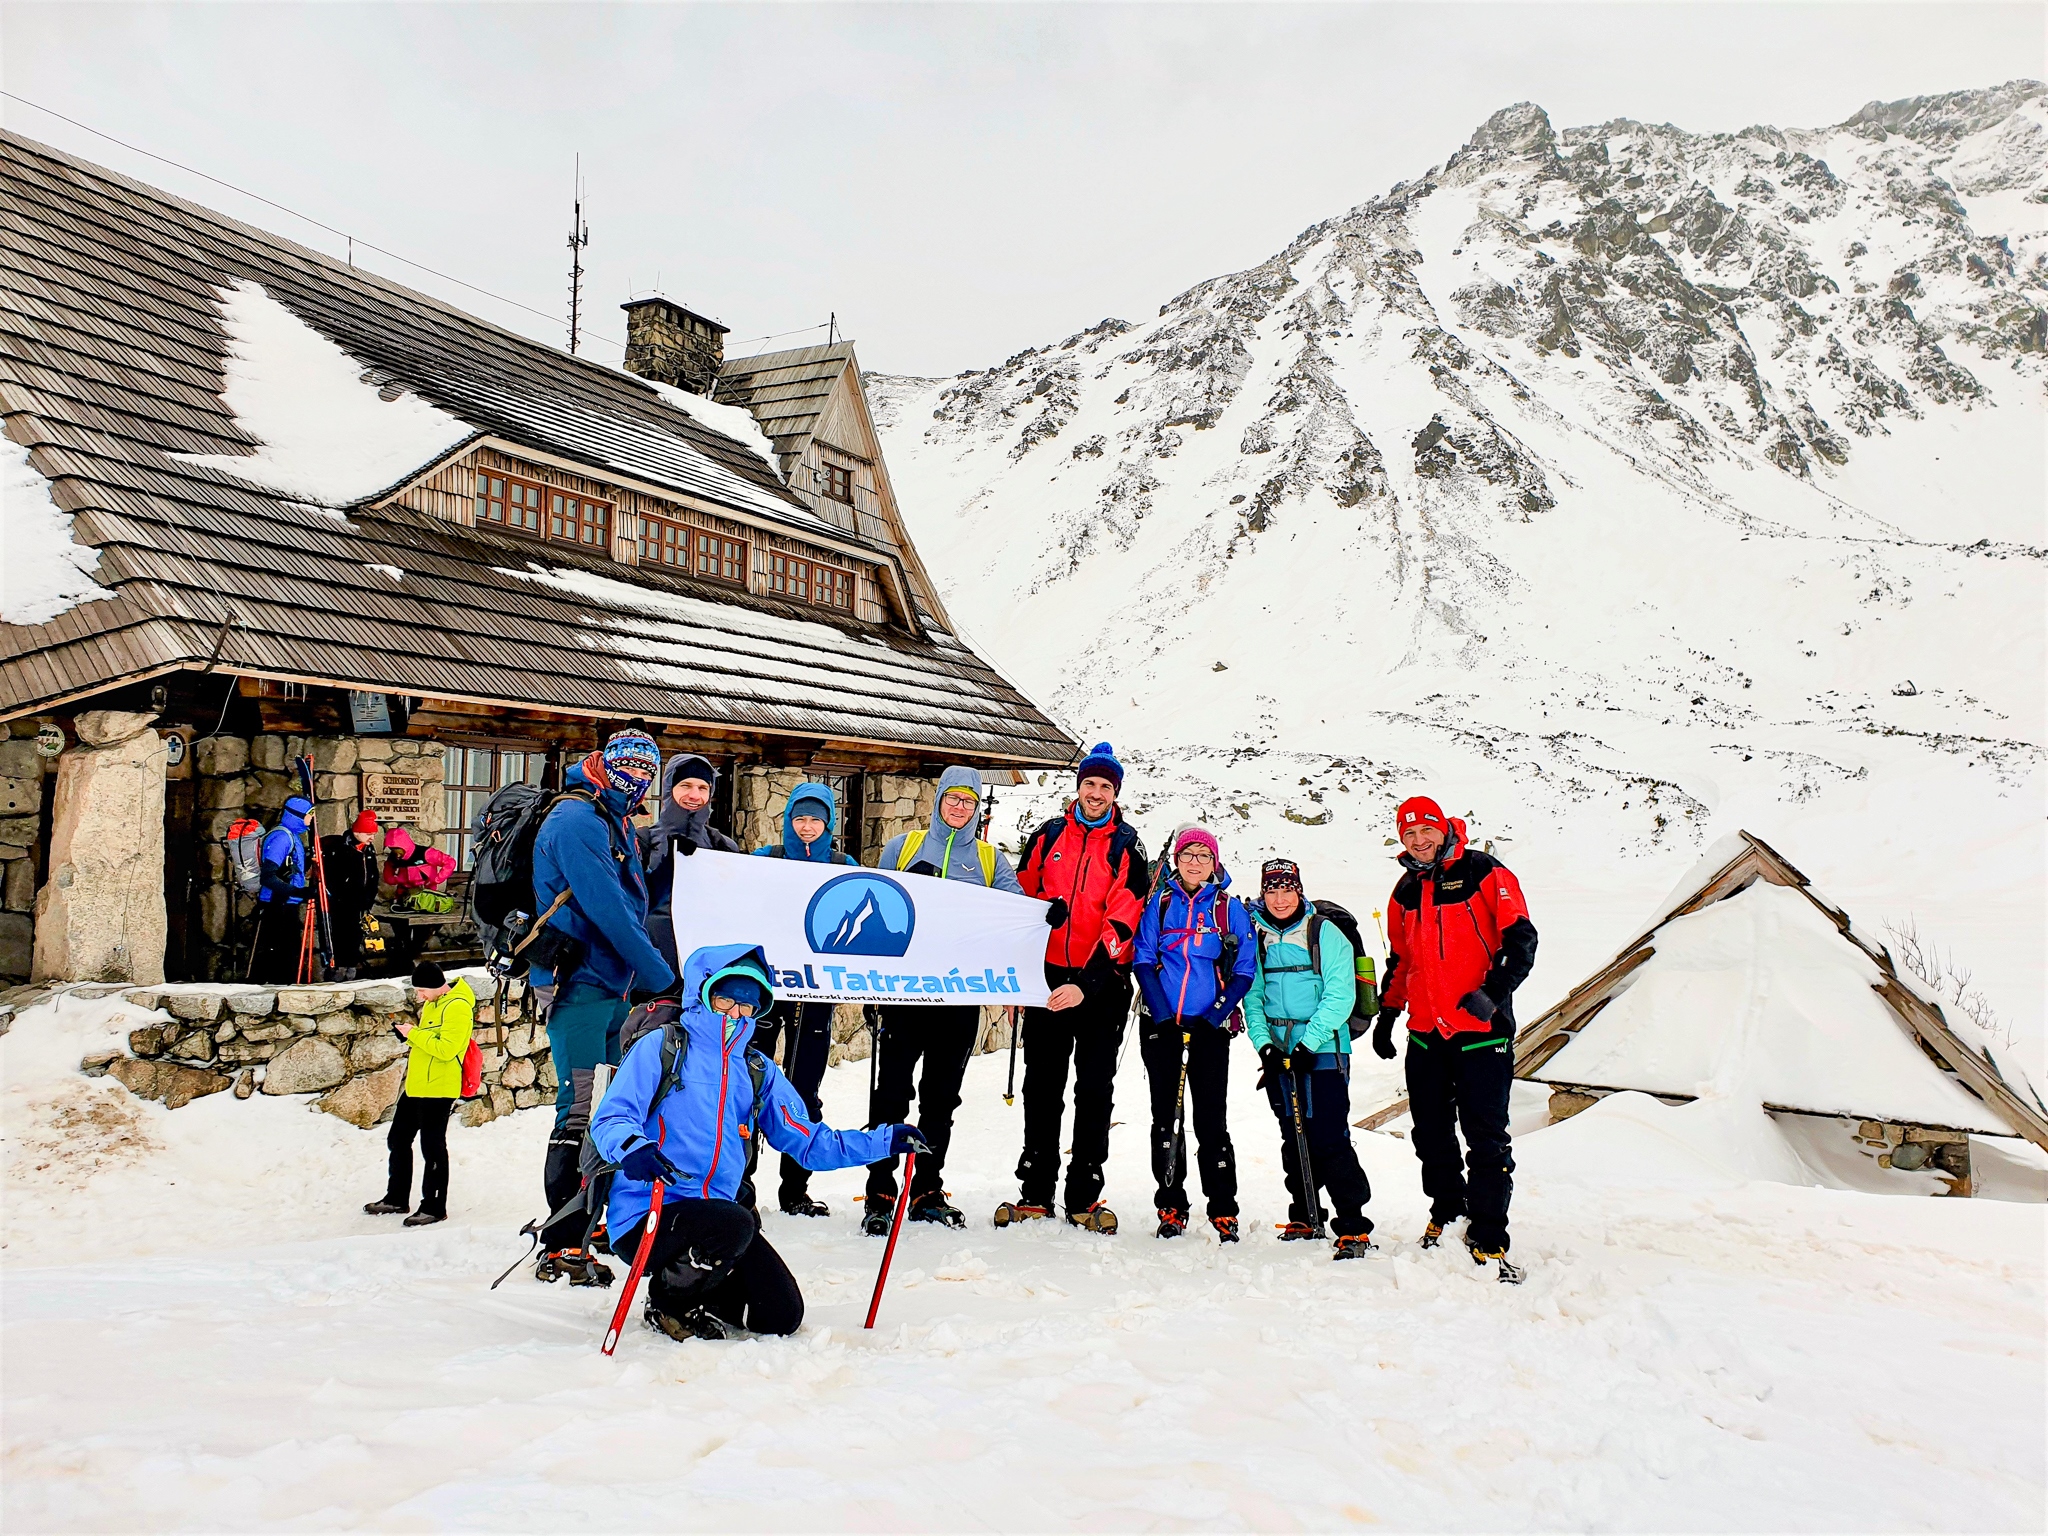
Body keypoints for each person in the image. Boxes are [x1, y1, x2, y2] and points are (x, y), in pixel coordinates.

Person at [590, 942, 923, 1341]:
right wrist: (633, 1148)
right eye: (725, 998)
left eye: (747, 1004)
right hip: (649, 1212)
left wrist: (884, 1142)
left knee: (780, 1315)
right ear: (702, 994)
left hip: (718, 1220)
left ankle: (708, 1290)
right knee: (734, 1222)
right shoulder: (664, 1047)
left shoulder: (756, 1069)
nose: (735, 1012)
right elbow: (611, 1116)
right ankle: (667, 1303)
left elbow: (809, 1142)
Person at [530, 729, 677, 1281]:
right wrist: (668, 980)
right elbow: (611, 912)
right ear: (606, 766)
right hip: (580, 985)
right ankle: (561, 1242)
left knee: (610, 1110)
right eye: (629, 768)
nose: (637, 779)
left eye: (647, 772)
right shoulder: (577, 822)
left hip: (610, 985)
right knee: (579, 1107)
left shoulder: (610, 816)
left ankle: (591, 1224)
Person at [1375, 796, 1537, 1279]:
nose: (1419, 841)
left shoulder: (1484, 872)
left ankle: (1488, 1234)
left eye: (1426, 830)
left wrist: (1493, 993)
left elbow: (1521, 939)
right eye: (1409, 834)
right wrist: (1388, 1013)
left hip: (1481, 1032)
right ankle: (1447, 1212)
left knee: (1486, 1138)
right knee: (1430, 1134)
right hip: (1426, 1034)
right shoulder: (1405, 889)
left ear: (1443, 828)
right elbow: (1402, 962)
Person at [865, 767, 1025, 1233]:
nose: (959, 808)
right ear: (938, 801)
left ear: (978, 808)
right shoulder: (904, 847)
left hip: (958, 997)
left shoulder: (992, 861)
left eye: (968, 802)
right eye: (952, 800)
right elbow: (875, 903)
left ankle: (927, 1188)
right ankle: (880, 1187)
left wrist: (1043, 913)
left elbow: (1013, 911)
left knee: (941, 1097)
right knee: (891, 1093)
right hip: (905, 994)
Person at [1006, 742, 1149, 1234]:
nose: (1095, 793)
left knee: (1093, 1092)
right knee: (1041, 1089)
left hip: (1100, 987)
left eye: (1105, 786)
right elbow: (1022, 899)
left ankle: (1084, 1195)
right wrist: (1017, 975)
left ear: (1115, 793)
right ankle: (1035, 1191)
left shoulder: (1127, 845)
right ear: (1079, 786)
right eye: (1089, 783)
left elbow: (1125, 919)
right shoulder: (1047, 836)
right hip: (1046, 979)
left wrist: (1087, 984)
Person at [1244, 858, 1376, 1258]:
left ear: (1299, 890)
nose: (1279, 898)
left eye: (1287, 889)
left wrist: (1309, 1043)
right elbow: (1252, 995)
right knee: (1292, 1132)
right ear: (1263, 893)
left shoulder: (1325, 932)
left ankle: (1352, 1224)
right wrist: (1264, 1045)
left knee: (1328, 1136)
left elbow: (1340, 995)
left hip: (1324, 1049)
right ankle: (1304, 1213)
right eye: (1272, 890)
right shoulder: (1257, 935)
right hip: (1280, 1049)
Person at [1131, 826, 1256, 1241]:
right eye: (1189, 855)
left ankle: (1222, 1206)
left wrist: (1215, 1017)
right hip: (1162, 1024)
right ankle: (1170, 1204)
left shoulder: (1227, 908)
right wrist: (1164, 1017)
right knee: (1165, 1116)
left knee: (1210, 1118)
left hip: (1210, 1027)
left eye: (1204, 855)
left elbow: (1244, 970)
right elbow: (1144, 957)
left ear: (1214, 862)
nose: (1196, 862)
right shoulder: (1161, 903)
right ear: (1177, 860)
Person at [749, 782, 857, 1218]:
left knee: (803, 1089)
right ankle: (738, 1184)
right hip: (766, 991)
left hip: (815, 993)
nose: (808, 827)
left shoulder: (841, 865)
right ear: (788, 820)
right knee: (748, 1085)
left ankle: (795, 1188)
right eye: (800, 818)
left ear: (828, 823)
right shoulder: (765, 860)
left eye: (816, 819)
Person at [364, 961, 474, 1227]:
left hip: (439, 1087)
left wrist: (414, 1034)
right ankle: (397, 1197)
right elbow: (430, 1040)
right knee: (398, 1139)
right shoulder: (433, 1004)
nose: (419, 996)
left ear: (436, 986)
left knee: (432, 1146)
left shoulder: (457, 1007)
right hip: (417, 1085)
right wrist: (410, 1036)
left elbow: (447, 1049)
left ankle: (434, 1206)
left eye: (421, 990)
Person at [642, 754, 742, 975]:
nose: (694, 795)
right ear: (670, 788)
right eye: (685, 785)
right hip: (653, 965)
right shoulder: (642, 841)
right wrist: (667, 865)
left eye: (702, 787)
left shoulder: (723, 846)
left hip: (706, 966)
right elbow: (634, 902)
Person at [247, 794, 314, 984]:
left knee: (288, 951)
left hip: (287, 902)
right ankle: (274, 990)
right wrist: (299, 892)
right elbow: (268, 876)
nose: (312, 818)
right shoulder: (281, 837)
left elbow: (292, 868)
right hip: (277, 903)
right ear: (297, 815)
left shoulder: (293, 837)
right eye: (309, 814)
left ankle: (284, 987)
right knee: (279, 951)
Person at [320, 811, 382, 981]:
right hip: (342, 903)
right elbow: (332, 877)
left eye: (373, 834)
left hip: (362, 902)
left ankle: (351, 968)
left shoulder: (368, 849)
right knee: (340, 935)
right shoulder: (340, 848)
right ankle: (338, 968)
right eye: (369, 834)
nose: (372, 838)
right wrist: (339, 897)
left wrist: (370, 896)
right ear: (358, 832)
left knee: (356, 935)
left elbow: (373, 875)